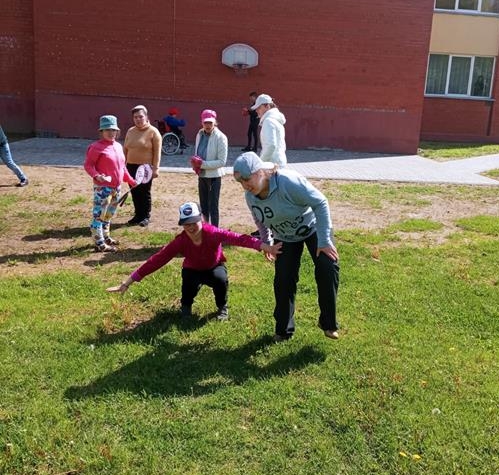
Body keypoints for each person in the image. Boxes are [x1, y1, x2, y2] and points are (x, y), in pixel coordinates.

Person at [107, 201, 282, 320]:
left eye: (193, 222)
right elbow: (156, 260)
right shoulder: (180, 241)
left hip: (214, 267)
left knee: (221, 280)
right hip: (192, 270)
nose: (190, 227)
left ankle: (222, 307)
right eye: (186, 223)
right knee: (188, 286)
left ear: (201, 219)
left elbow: (240, 238)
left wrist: (267, 247)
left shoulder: (212, 233)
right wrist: (127, 282)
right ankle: (186, 306)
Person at [233, 152, 339, 341]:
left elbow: (320, 202)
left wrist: (324, 241)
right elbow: (259, 218)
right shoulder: (250, 196)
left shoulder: (288, 181)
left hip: (313, 228)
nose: (245, 186)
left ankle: (328, 323)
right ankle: (283, 330)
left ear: (259, 172)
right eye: (241, 182)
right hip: (285, 236)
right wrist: (267, 241)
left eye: (247, 179)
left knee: (327, 267)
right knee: (283, 280)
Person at [84, 115, 137, 252]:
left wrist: (130, 180)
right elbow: (88, 165)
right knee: (99, 214)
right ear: (101, 131)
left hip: (116, 188)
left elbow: (122, 167)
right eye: (107, 130)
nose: (111, 132)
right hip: (103, 188)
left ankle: (106, 236)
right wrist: (97, 176)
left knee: (109, 214)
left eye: (113, 130)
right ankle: (99, 242)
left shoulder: (118, 146)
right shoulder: (96, 147)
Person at [123, 104, 162, 227]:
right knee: (134, 191)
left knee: (144, 192)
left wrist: (156, 168)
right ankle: (137, 215)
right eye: (135, 117)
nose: (138, 119)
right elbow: (125, 149)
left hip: (146, 168)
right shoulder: (130, 131)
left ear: (146, 117)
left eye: (140, 116)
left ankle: (145, 216)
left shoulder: (153, 132)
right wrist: (122, 166)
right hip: (131, 166)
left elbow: (157, 152)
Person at [190, 109, 228, 227]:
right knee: (203, 206)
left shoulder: (221, 137)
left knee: (213, 207)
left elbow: (222, 161)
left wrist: (202, 164)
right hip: (202, 175)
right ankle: (206, 230)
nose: (208, 125)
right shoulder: (199, 134)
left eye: (210, 123)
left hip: (214, 176)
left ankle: (215, 233)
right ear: (202, 122)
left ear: (215, 122)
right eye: (205, 122)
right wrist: (195, 162)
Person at [251, 93, 287, 167]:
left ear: (267, 106)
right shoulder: (276, 120)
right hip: (280, 162)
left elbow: (271, 146)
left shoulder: (268, 121)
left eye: (259, 108)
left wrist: (260, 163)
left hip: (271, 165)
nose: (256, 111)